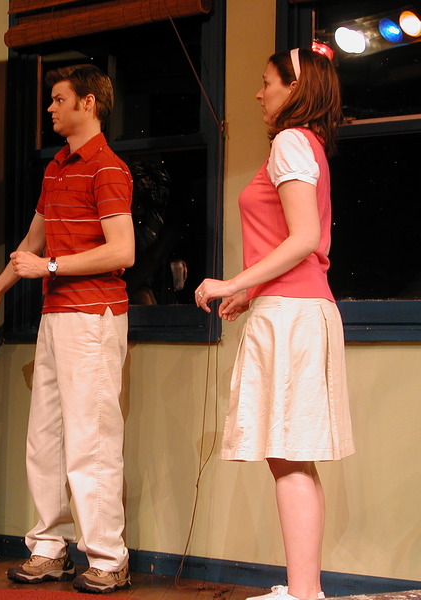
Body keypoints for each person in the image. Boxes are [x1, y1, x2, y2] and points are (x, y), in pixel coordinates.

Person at [194, 48, 355, 600]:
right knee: (291, 459)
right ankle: (305, 589)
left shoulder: (290, 141)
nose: (260, 93)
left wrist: (232, 282)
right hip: (293, 308)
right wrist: (251, 291)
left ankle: (305, 593)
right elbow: (297, 241)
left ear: (296, 89)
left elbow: (305, 237)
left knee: (288, 459)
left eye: (268, 83)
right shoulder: (306, 145)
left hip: (293, 315)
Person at [0, 64, 135, 594]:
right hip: (57, 313)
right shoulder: (57, 166)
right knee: (44, 437)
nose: (50, 108)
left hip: (94, 315)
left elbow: (122, 250)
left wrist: (49, 268)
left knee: (92, 439)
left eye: (59, 99)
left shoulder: (107, 168)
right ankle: (49, 547)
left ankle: (109, 557)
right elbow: (35, 239)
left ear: (88, 103)